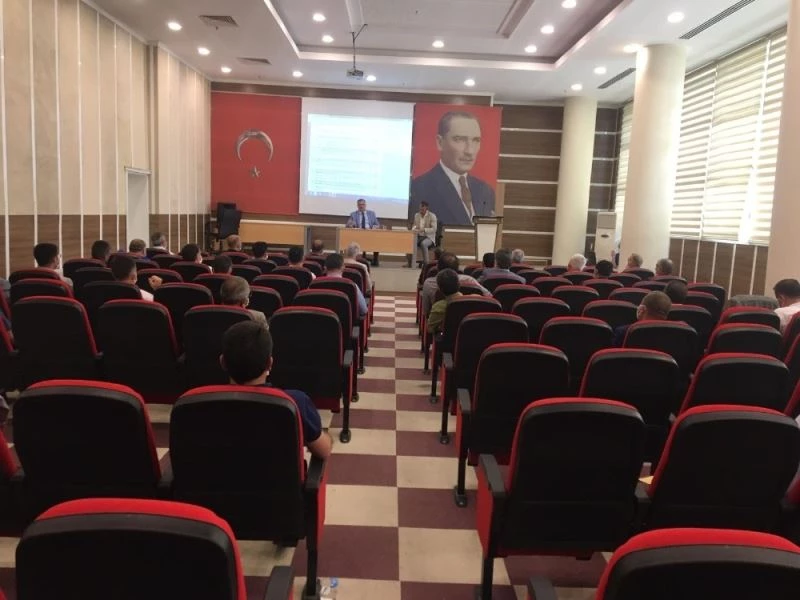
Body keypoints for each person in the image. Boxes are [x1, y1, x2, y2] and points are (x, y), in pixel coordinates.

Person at [220, 320, 332, 459]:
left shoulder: (201, 403)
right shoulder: (295, 402)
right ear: (270, 363)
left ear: (222, 362)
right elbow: (324, 451)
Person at [410, 111, 495, 226]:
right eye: (459, 139)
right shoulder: (420, 188)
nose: (470, 151)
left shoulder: (486, 191)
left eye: (476, 140)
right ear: (440, 143)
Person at [421, 252, 489, 315]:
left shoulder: (428, 283)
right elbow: (488, 295)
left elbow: (425, 311)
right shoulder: (469, 280)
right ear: (458, 268)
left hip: (439, 320)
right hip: (467, 319)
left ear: (437, 267)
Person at [324, 253, 367, 317]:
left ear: (325, 268)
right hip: (347, 322)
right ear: (343, 267)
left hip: (320, 321)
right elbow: (363, 310)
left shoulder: (314, 284)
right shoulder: (352, 286)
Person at [346, 199, 381, 266]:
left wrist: (375, 227)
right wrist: (350, 225)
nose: (361, 206)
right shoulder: (353, 214)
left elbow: (377, 224)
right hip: (358, 234)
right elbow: (347, 225)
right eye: (360, 205)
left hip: (370, 233)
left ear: (365, 205)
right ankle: (356, 258)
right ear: (357, 206)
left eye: (363, 204)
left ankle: (375, 259)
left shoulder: (371, 213)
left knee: (377, 239)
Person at [427, 269, 462, 334]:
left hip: (448, 338)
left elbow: (430, 329)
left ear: (440, 289)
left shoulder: (438, 307)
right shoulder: (473, 300)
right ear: (459, 284)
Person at [413, 200, 438, 265]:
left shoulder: (432, 216)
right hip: (418, 236)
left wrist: (423, 230)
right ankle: (410, 262)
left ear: (426, 208)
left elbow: (434, 229)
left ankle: (426, 264)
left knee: (423, 244)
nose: (420, 210)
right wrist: (414, 229)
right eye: (420, 208)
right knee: (410, 242)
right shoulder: (416, 215)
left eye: (422, 208)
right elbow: (414, 225)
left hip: (429, 237)